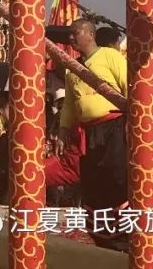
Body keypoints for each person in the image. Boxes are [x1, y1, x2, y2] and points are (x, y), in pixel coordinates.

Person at [55, 18, 129, 242]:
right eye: (69, 33)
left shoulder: (110, 56)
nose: (70, 38)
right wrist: (63, 129)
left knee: (116, 178)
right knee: (92, 180)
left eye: (74, 33)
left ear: (89, 34)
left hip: (114, 125)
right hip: (88, 130)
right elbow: (69, 103)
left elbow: (128, 84)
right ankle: (100, 235)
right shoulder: (72, 68)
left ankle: (124, 234)